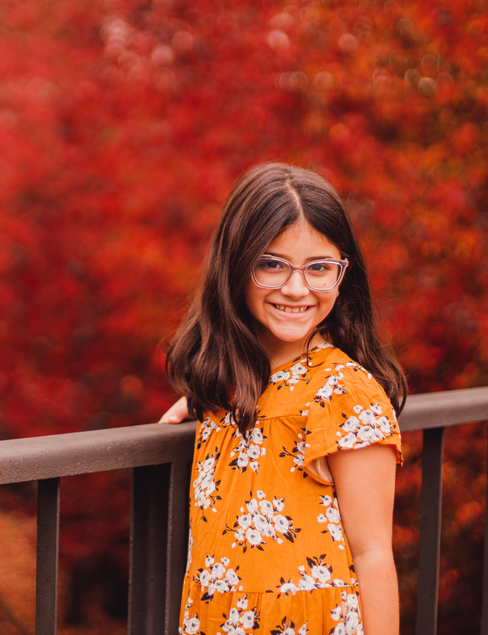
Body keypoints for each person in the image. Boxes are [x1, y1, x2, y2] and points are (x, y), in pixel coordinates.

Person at [159, 163, 408, 635]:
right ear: (235, 264)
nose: (296, 289)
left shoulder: (343, 392)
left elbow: (374, 554)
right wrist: (195, 401)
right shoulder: (227, 384)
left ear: (343, 274)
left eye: (319, 268)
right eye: (272, 264)